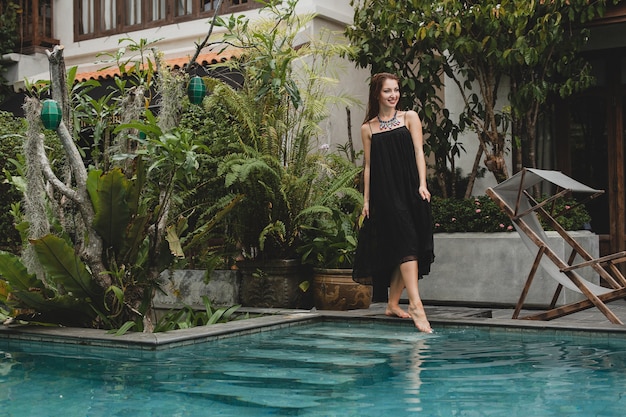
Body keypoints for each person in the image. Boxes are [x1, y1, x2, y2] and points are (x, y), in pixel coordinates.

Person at [352, 72, 435, 333]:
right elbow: (368, 167)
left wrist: (422, 183)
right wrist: (366, 201)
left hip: (411, 188)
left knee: (406, 245)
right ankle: (416, 305)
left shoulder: (409, 117)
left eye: (396, 90)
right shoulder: (368, 128)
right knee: (407, 242)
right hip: (386, 193)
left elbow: (419, 152)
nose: (393, 95)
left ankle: (391, 303)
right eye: (388, 91)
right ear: (377, 93)